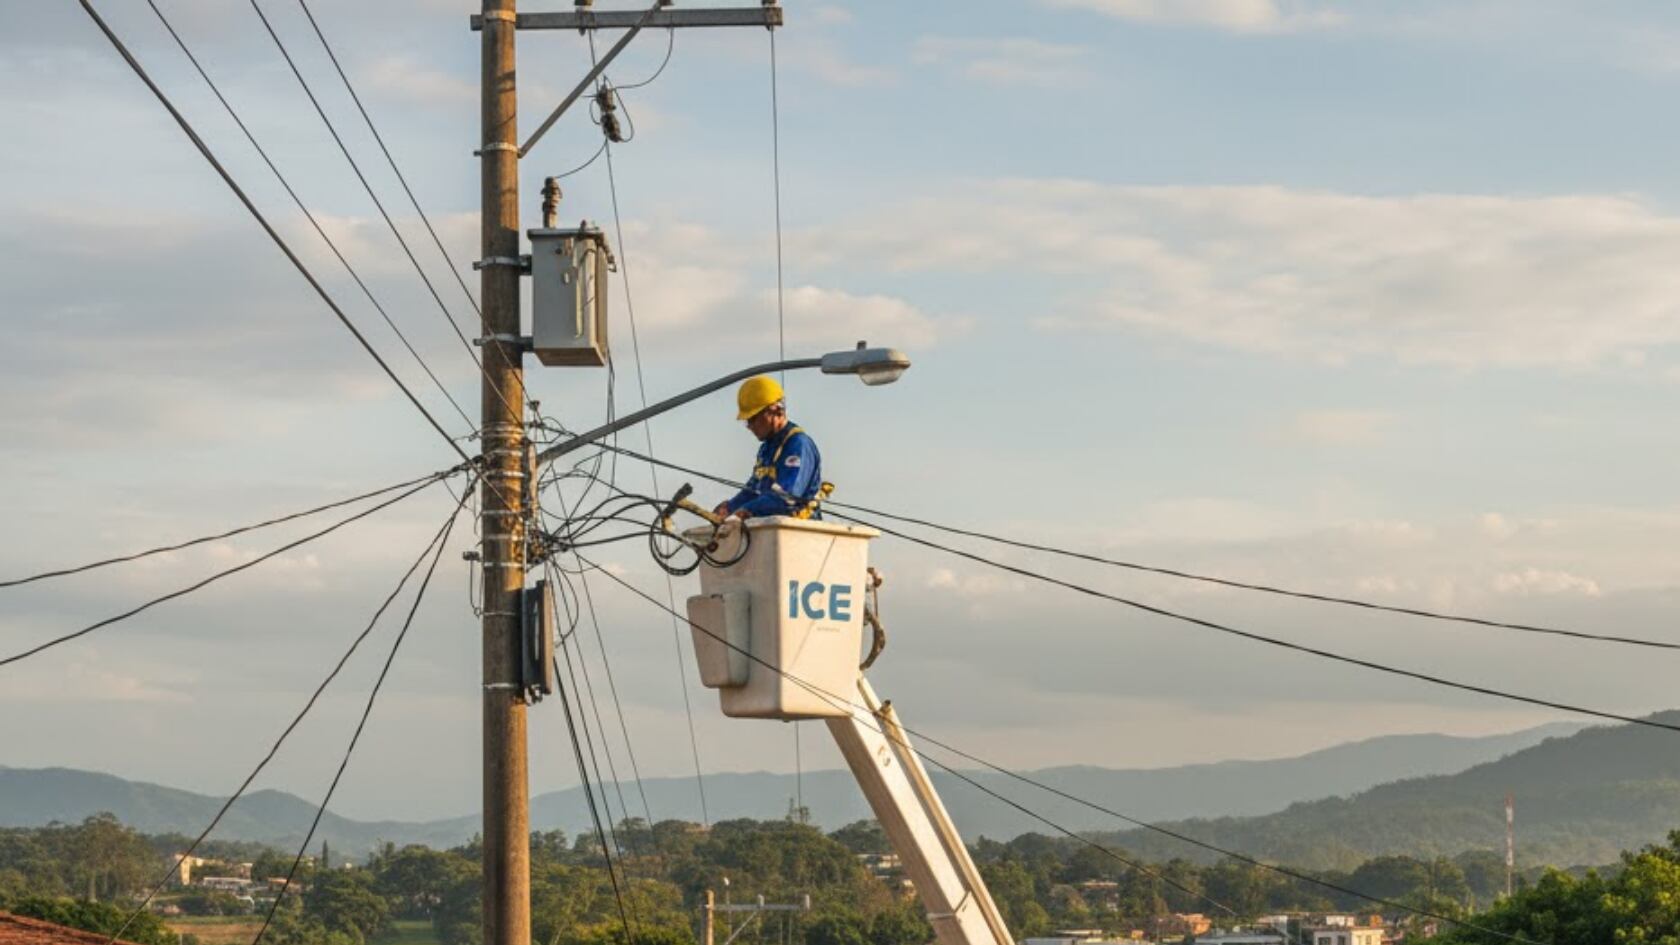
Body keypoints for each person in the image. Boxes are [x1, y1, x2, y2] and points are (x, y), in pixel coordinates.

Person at [712, 375, 823, 520]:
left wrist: (747, 510)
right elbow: (753, 491)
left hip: (799, 534)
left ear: (776, 410)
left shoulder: (798, 445)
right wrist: (729, 508)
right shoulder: (766, 449)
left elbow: (786, 498)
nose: (750, 427)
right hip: (769, 531)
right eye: (747, 421)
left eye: (753, 419)